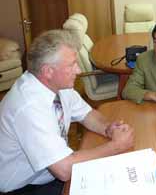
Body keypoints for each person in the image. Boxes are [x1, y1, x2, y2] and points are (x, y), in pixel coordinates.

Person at [0, 30, 134, 194]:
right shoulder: (28, 107)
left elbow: (87, 114)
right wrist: (115, 146)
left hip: (51, 171)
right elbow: (64, 170)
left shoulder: (55, 84)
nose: (78, 70)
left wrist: (108, 128)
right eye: (72, 65)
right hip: (25, 186)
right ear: (48, 71)